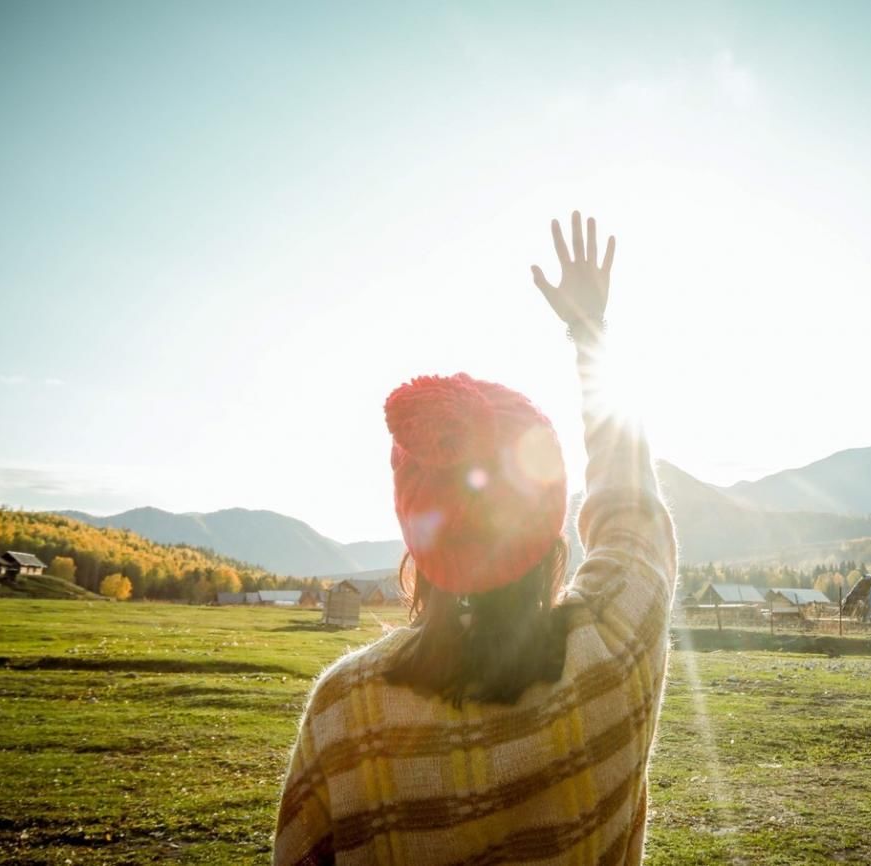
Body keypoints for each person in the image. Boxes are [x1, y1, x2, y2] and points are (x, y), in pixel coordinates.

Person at [273, 211, 678, 865]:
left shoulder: (347, 713)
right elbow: (630, 506)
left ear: (417, 539)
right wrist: (589, 334)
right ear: (551, 532)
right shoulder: (611, 652)